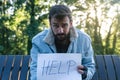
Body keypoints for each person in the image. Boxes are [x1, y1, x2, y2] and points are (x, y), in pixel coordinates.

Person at [30, 4, 95, 80]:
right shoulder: (38, 41)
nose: (60, 30)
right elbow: (35, 70)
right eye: (56, 26)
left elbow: (90, 66)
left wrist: (85, 74)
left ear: (71, 24)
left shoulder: (84, 40)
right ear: (50, 24)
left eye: (64, 25)